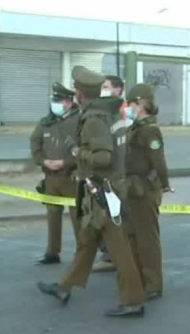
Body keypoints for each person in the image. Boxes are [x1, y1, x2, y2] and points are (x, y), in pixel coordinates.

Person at [37, 65, 146, 318]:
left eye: (76, 89)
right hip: (104, 190)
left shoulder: (95, 120)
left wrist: (78, 152)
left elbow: (103, 157)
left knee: (119, 250)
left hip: (105, 193)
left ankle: (133, 301)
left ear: (80, 93)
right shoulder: (108, 113)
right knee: (87, 242)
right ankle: (64, 287)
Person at [123, 83, 171, 300]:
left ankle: (152, 284)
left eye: (131, 103)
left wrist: (163, 184)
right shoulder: (135, 128)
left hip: (143, 189)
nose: (128, 107)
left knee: (147, 239)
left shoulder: (149, 130)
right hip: (132, 188)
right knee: (133, 237)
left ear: (141, 104)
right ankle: (140, 281)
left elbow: (158, 161)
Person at [30, 82, 81, 265]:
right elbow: (35, 143)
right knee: (52, 215)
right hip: (51, 178)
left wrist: (66, 162)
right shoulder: (46, 122)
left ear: (69, 102)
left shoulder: (80, 120)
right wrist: (43, 161)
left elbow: (86, 149)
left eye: (59, 101)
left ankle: (83, 254)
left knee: (78, 217)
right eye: (54, 100)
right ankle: (52, 252)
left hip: (72, 177)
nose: (55, 104)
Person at [92, 75, 130, 273]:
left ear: (118, 90)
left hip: (118, 174)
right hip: (113, 174)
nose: (103, 90)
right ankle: (111, 255)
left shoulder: (124, 112)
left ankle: (114, 258)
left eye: (107, 87)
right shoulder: (107, 111)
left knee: (113, 217)